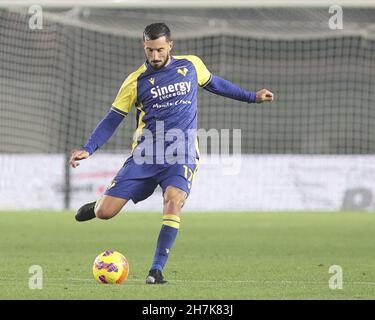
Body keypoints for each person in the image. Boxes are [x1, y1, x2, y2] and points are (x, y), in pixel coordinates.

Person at [69, 22, 274, 284]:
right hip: (145, 156)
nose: (154, 56)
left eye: (159, 50)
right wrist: (89, 148)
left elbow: (216, 84)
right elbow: (113, 118)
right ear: (144, 47)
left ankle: (156, 270)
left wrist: (251, 96)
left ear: (170, 46)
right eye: (149, 50)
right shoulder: (135, 81)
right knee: (105, 213)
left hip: (182, 154)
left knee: (173, 200)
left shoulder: (191, 66)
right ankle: (97, 207)